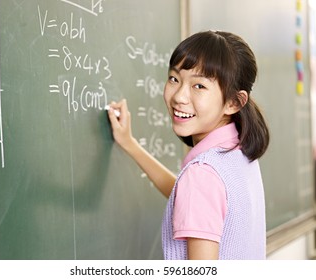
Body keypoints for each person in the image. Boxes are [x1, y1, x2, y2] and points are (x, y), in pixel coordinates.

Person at [107, 30, 269, 260]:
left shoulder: (203, 176)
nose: (179, 96)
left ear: (234, 102)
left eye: (199, 86)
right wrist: (130, 144)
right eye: (174, 79)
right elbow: (186, 193)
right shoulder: (237, 152)